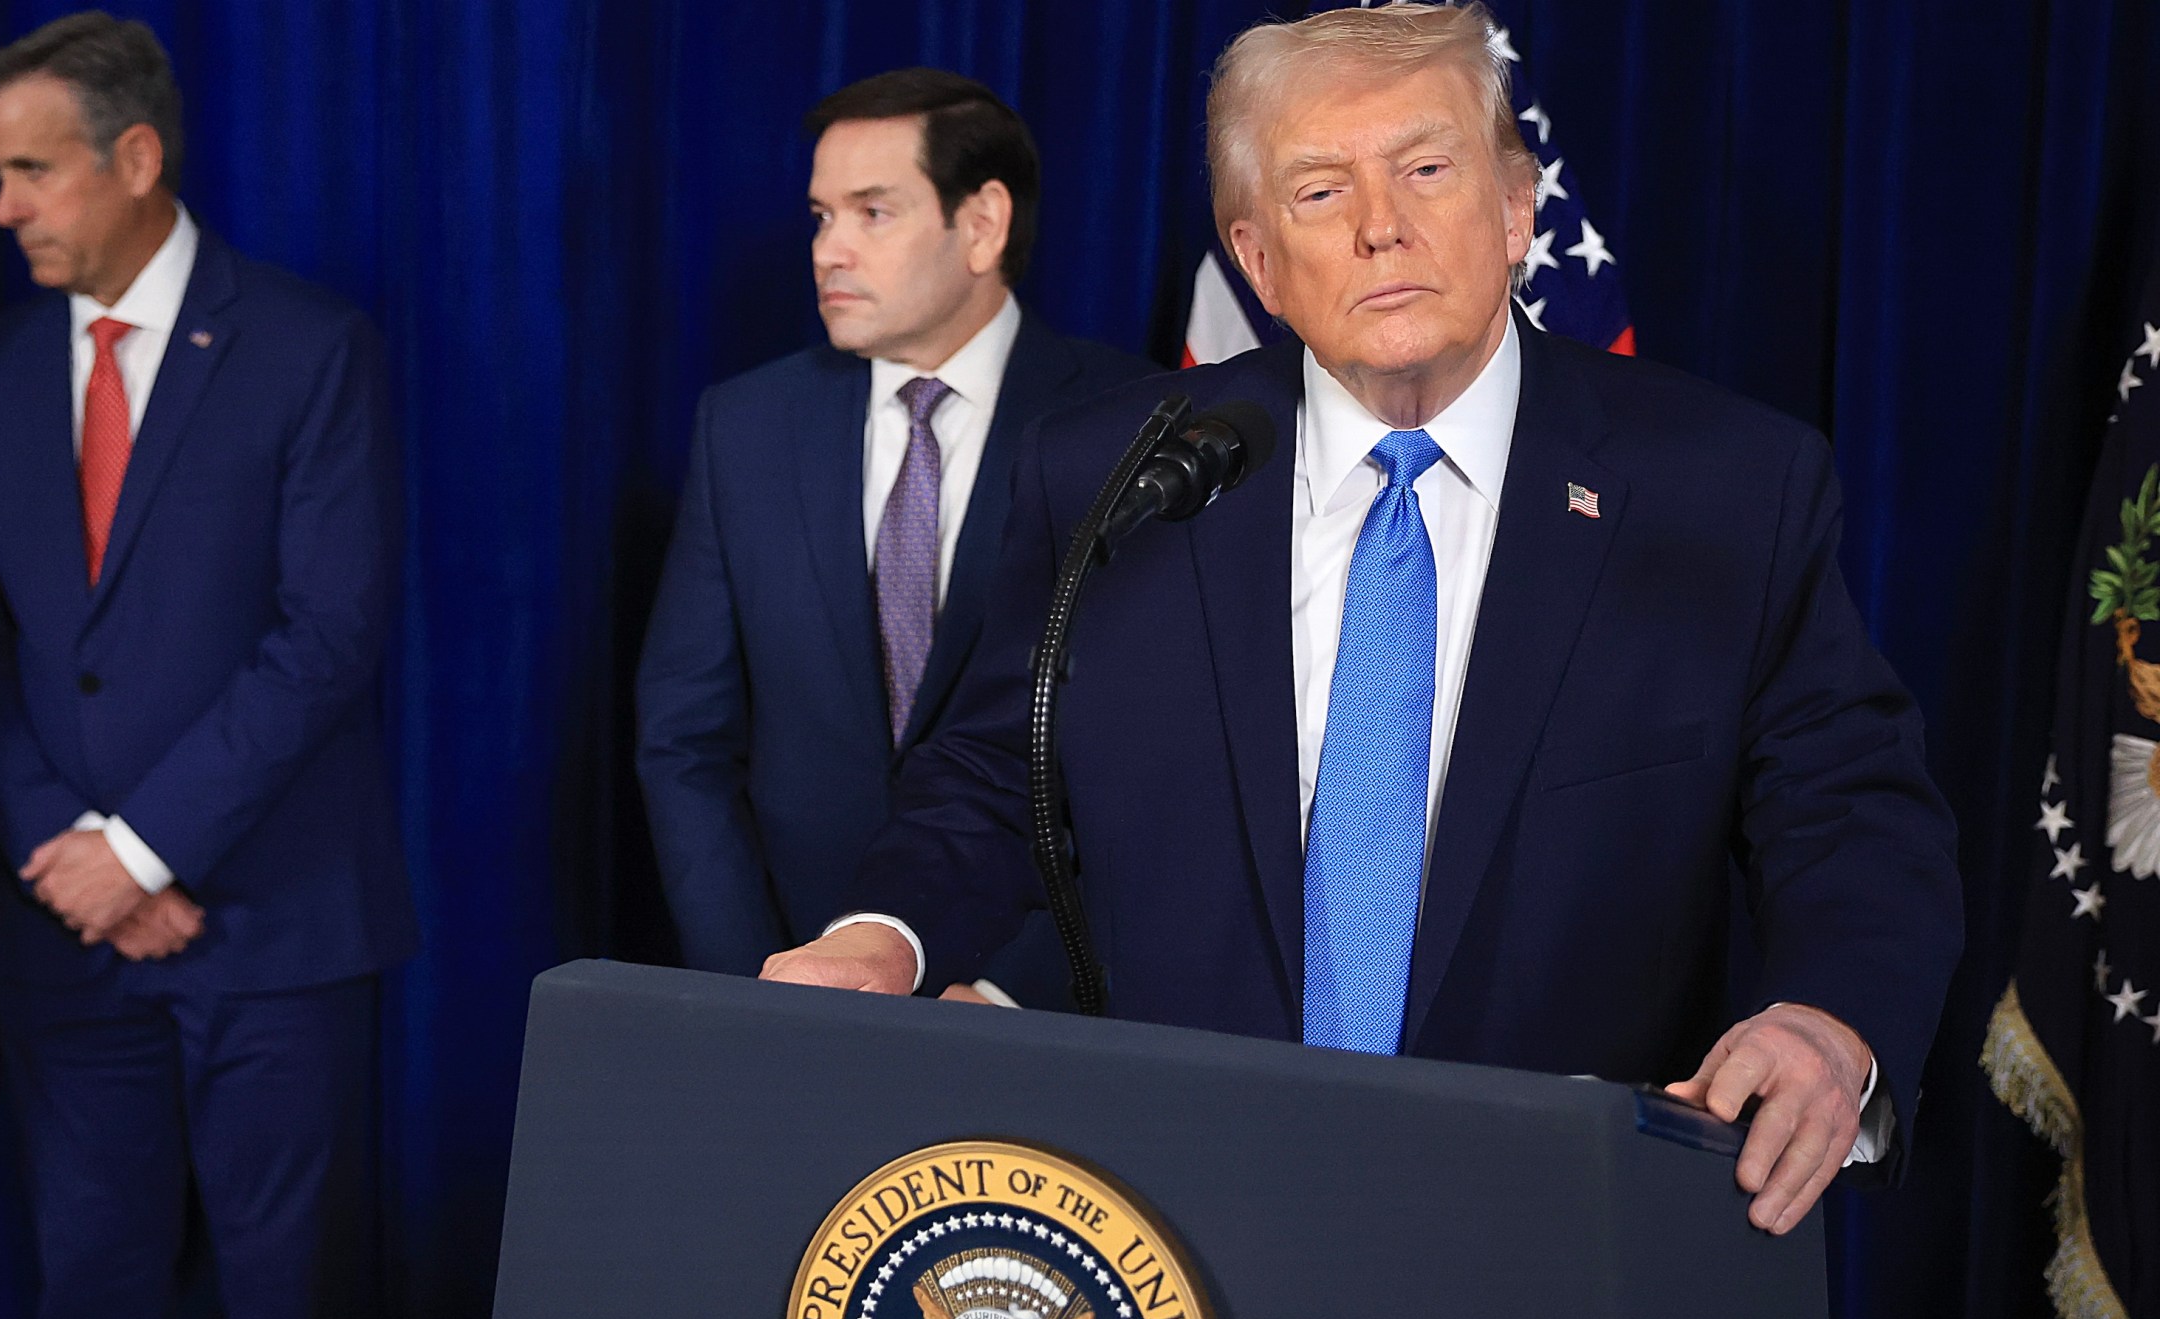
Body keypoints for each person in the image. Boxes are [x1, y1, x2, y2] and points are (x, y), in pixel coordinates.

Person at [761, 3, 1961, 1234]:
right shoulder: (1115, 475)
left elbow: (1851, 814)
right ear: (1260, 261)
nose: (1383, 227)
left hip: (1564, 1234)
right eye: (1321, 192)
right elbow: (993, 772)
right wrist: (885, 936)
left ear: (1513, 207)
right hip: (1174, 1228)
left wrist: (1828, 1021)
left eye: (1428, 170)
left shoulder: (1725, 490)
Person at [0, 14, 417, 1319]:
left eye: (31, 170)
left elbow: (329, 634)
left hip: (274, 928)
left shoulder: (306, 345)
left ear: (136, 160)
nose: (3, 207)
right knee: (92, 1304)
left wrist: (143, 850)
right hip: (65, 945)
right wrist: (72, 865)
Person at [636, 69, 1155, 1008]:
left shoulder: (1131, 425)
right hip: (789, 990)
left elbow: (1160, 761)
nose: (830, 250)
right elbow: (684, 741)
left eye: (872, 213)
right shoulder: (746, 426)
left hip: (1034, 1003)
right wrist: (753, 985)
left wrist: (1009, 984)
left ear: (984, 225)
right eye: (821, 217)